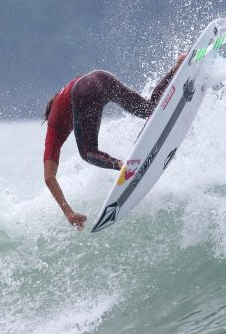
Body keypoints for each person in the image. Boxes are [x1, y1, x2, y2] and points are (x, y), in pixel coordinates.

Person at [43, 54, 185, 230]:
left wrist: (68, 213)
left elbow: (49, 177)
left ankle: (122, 166)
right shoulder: (65, 100)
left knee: (87, 153)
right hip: (101, 77)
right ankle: (177, 67)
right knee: (149, 109)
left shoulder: (54, 125)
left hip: (84, 91)